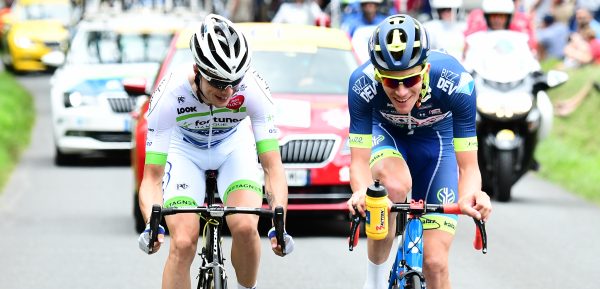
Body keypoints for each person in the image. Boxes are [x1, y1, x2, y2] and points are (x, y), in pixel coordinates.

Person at [136, 14, 294, 289]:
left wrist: (279, 221)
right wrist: (153, 224)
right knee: (183, 242)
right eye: (219, 83)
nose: (229, 91)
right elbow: (151, 178)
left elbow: (272, 167)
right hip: (183, 150)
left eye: (235, 81)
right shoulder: (170, 94)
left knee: (246, 227)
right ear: (197, 71)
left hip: (233, 147)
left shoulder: (253, 89)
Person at [346, 14, 492, 289]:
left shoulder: (457, 82)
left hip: (438, 145)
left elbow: (468, 168)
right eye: (390, 82)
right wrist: (361, 191)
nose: (401, 91)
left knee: (435, 263)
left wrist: (473, 195)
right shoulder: (361, 84)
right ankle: (374, 282)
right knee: (395, 186)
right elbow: (359, 162)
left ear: (424, 70)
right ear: (378, 75)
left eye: (410, 80)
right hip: (386, 135)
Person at [464, 0, 537, 51]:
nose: (497, 20)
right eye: (493, 16)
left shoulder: (520, 39)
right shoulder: (476, 39)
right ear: (487, 17)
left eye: (501, 16)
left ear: (508, 18)